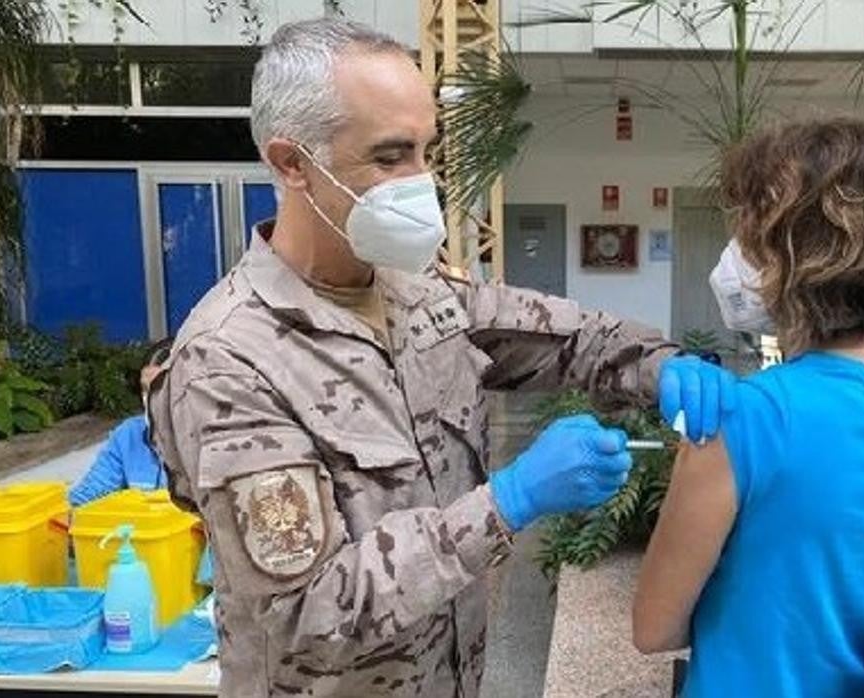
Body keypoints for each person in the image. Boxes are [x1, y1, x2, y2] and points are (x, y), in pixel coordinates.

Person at [146, 18, 731, 698]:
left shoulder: (424, 300)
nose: (422, 182)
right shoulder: (231, 360)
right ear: (291, 163)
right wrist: (510, 500)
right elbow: (308, 610)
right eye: (390, 156)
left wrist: (661, 370)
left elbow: (570, 337)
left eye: (427, 151)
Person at [632, 118, 864, 696]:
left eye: (750, 227)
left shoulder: (744, 420)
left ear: (793, 256)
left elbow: (654, 627)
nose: (736, 249)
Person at [68, 339, 172, 507]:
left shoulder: (215, 440)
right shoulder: (128, 435)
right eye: (146, 389)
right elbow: (88, 496)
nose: (151, 398)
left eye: (161, 388)